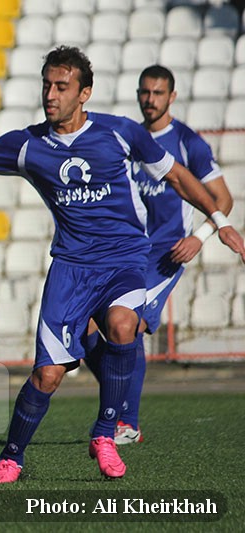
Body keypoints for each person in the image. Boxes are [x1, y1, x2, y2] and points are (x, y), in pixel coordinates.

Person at [0, 46, 245, 483]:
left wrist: (219, 222)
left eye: (62, 87)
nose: (51, 95)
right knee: (48, 374)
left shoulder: (120, 133)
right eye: (47, 86)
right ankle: (11, 457)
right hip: (71, 269)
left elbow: (176, 176)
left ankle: (106, 433)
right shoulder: (26, 144)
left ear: (85, 93)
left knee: (122, 325)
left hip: (124, 260)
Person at [84, 65, 234, 445]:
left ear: (172, 96)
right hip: (121, 249)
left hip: (164, 253)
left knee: (129, 323)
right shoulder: (129, 138)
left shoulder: (188, 143)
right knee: (81, 323)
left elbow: (223, 199)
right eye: (144, 92)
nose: (150, 100)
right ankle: (120, 390)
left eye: (157, 93)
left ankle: (126, 423)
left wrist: (200, 237)